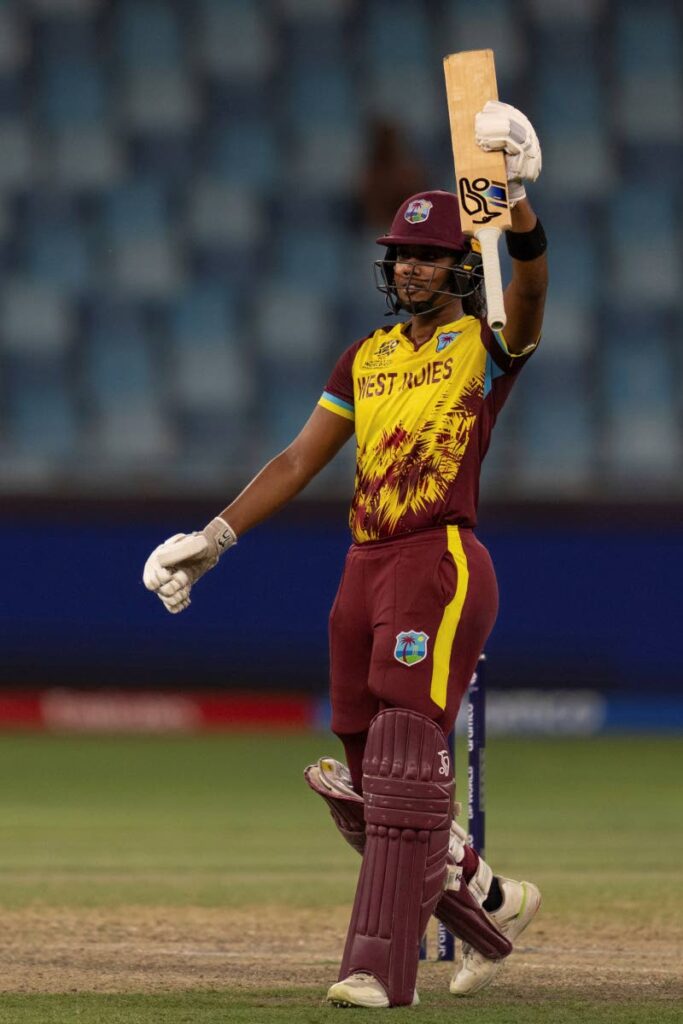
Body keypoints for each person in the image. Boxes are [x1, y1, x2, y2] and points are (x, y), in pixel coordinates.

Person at [143, 100, 548, 1009]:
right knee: (368, 781)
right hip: (362, 567)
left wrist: (515, 208)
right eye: (400, 254)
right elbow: (296, 459)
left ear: (455, 266)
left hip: (436, 559)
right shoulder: (362, 357)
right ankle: (489, 901)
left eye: (427, 255)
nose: (408, 267)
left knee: (405, 763)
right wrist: (213, 539)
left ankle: (375, 967)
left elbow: (527, 294)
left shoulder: (482, 347)